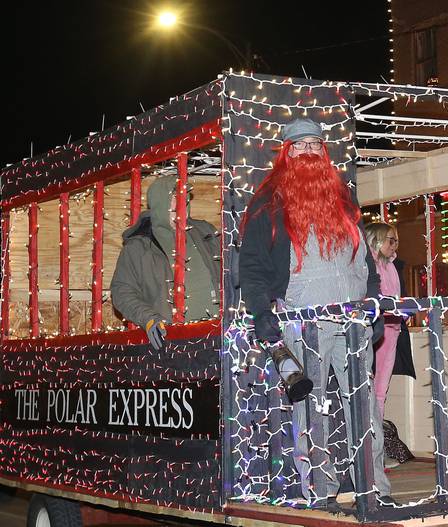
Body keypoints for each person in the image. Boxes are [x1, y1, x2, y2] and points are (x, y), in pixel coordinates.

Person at [238, 118, 392, 507]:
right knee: (310, 411)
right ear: (286, 153)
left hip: (353, 321)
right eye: (299, 145)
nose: (307, 152)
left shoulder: (342, 196)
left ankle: (374, 490)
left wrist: (372, 302)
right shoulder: (268, 201)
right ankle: (319, 494)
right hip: (304, 323)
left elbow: (366, 262)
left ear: (323, 152)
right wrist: (261, 314)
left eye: (314, 145)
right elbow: (253, 265)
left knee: (365, 409)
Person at [111, 175, 220, 349]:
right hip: (173, 339)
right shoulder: (139, 247)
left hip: (217, 333)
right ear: (161, 205)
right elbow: (122, 291)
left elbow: (231, 271)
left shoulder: (205, 232)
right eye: (175, 203)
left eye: (184, 201)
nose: (182, 209)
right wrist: (148, 318)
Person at [364, 222, 401, 420]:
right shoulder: (370, 265)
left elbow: (394, 296)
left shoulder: (391, 265)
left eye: (397, 241)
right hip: (378, 329)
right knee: (372, 385)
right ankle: (372, 436)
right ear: (376, 238)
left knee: (382, 389)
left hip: (393, 329)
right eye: (391, 240)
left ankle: (378, 437)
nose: (395, 245)